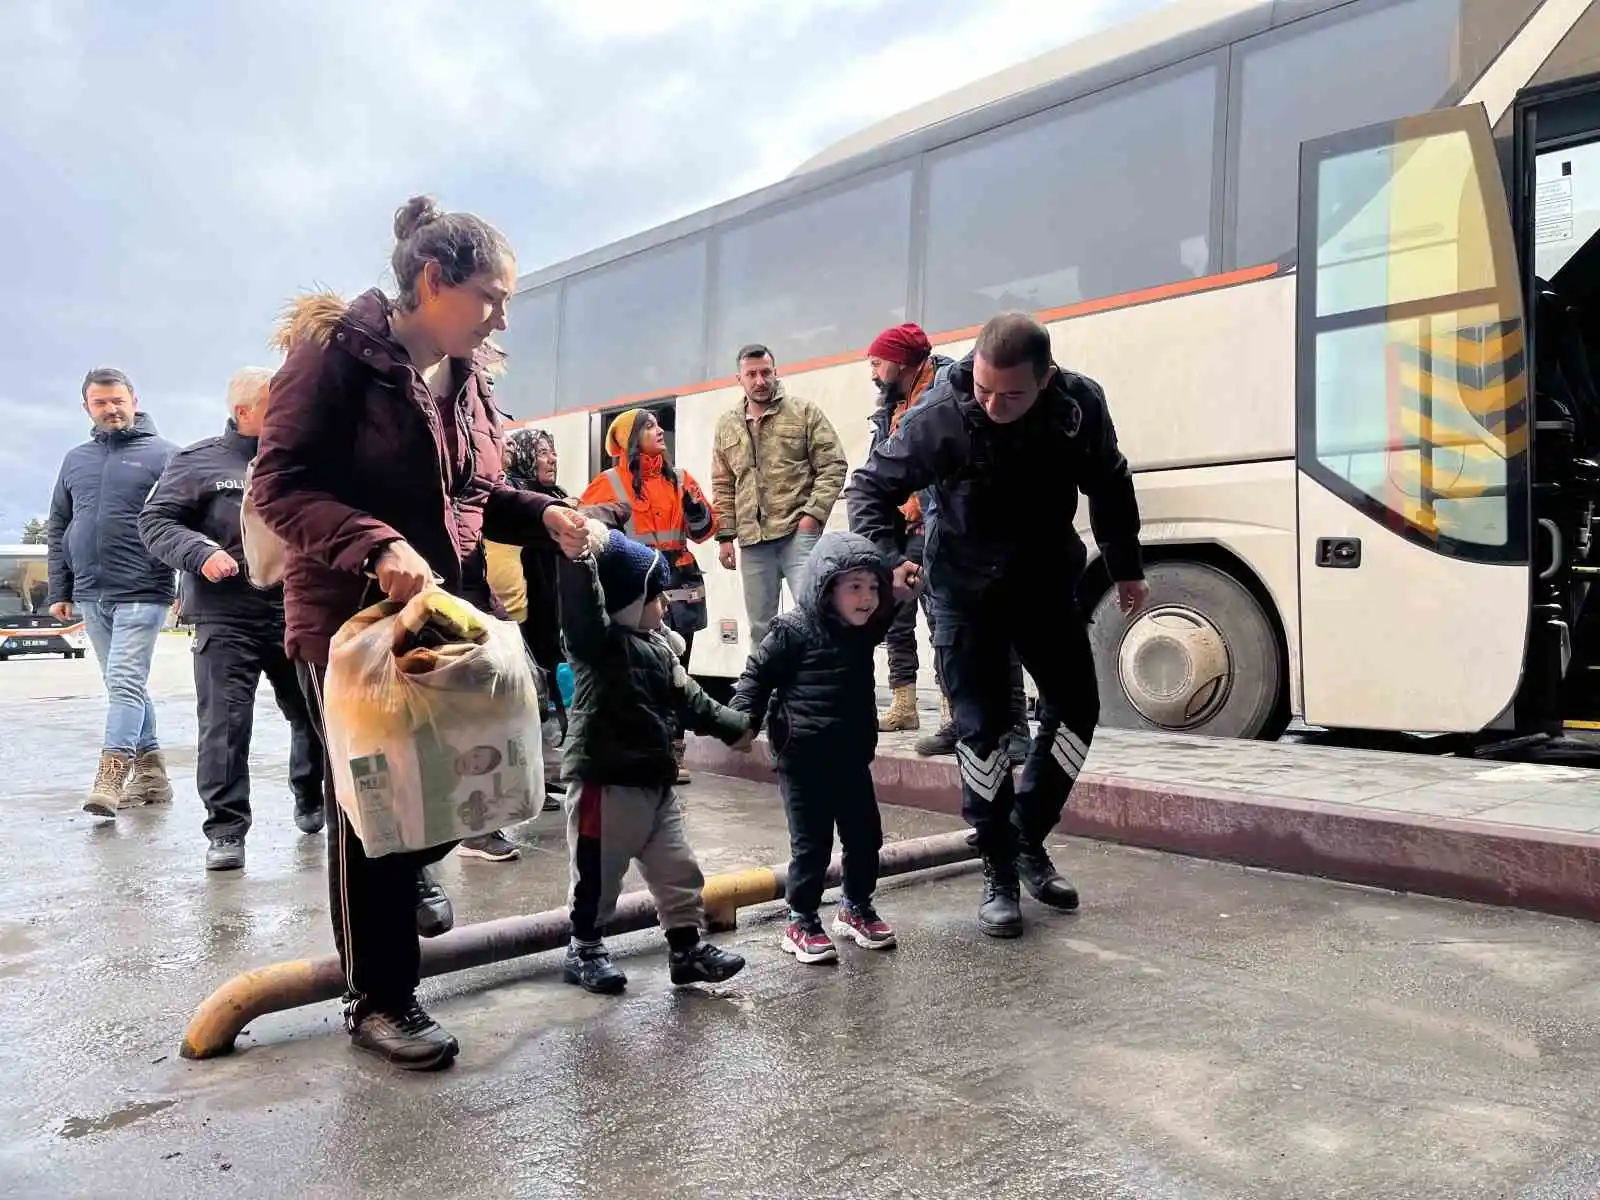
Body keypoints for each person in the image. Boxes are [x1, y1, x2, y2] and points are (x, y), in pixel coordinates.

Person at [252, 195, 591, 1070]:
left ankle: (416, 869)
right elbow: (278, 487)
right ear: (433, 282)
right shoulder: (333, 358)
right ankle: (380, 1000)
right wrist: (375, 544)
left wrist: (544, 515)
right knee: (371, 818)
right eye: (490, 296)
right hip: (348, 628)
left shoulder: (470, 378)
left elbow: (475, 497)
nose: (501, 317)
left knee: (437, 800)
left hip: (445, 625)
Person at [845, 312, 1149, 939]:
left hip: (1043, 583)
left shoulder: (1078, 406)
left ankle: (1025, 836)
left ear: (1045, 378)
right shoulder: (944, 411)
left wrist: (1126, 568)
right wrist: (891, 558)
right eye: (984, 389)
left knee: (1078, 709)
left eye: (1010, 393)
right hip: (964, 589)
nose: (993, 403)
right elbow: (870, 488)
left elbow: (1110, 482)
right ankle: (998, 872)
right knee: (982, 731)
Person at [139, 367, 324, 870]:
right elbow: (154, 522)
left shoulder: (301, 458)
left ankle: (311, 794)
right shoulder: (197, 462)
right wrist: (198, 552)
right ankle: (226, 830)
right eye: (274, 402)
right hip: (226, 617)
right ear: (244, 411)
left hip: (295, 611)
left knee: (315, 715)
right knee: (225, 726)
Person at [558, 523, 754, 995]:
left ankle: (686, 949)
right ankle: (584, 948)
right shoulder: (598, 646)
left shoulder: (662, 654)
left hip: (656, 784)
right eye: (655, 596)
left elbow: (696, 704)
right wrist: (579, 560)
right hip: (605, 786)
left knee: (677, 870)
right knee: (597, 877)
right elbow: (582, 610)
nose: (665, 605)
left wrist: (737, 728)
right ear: (626, 600)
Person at [731, 531, 898, 965]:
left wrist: (901, 588)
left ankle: (855, 907)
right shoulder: (793, 630)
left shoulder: (862, 629)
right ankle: (800, 918)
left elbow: (887, 611)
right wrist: (741, 720)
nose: (866, 598)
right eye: (854, 587)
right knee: (812, 845)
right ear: (826, 588)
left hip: (851, 756)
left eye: (872, 587)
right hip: (803, 759)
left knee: (866, 837)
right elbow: (756, 677)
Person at [46, 367, 179, 817]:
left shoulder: (165, 455)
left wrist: (187, 581)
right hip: (90, 591)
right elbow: (59, 525)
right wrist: (60, 588)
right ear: (87, 407)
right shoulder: (74, 460)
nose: (111, 409)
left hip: (144, 588)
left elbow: (186, 521)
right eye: (101, 403)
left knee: (123, 681)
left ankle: (111, 776)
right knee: (125, 685)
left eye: (118, 400)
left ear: (134, 400)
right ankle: (154, 776)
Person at [487, 427, 629, 809]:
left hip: (551, 612)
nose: (551, 459)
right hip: (520, 614)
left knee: (549, 693)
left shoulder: (553, 498)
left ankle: (545, 777)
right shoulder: (512, 501)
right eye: (544, 452)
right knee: (526, 697)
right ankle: (527, 782)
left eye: (553, 452)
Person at [580, 407, 715, 784]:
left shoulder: (681, 478)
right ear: (628, 438)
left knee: (677, 674)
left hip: (681, 585)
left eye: (658, 425)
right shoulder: (609, 482)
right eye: (649, 426)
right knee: (639, 673)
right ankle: (643, 750)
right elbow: (587, 527)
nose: (659, 431)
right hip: (637, 587)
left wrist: (696, 508)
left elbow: (704, 531)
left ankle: (674, 754)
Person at [711, 344, 848, 648]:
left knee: (815, 614)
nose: (760, 380)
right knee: (762, 628)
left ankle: (819, 689)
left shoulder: (803, 412)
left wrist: (812, 517)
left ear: (775, 372)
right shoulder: (727, 425)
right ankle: (767, 692)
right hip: (753, 540)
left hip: (798, 532)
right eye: (752, 374)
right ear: (740, 379)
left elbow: (833, 464)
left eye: (765, 372)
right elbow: (723, 483)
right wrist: (724, 537)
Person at [864, 323, 951, 734]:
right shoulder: (890, 406)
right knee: (898, 615)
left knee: (941, 618)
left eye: (877, 363)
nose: (873, 373)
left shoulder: (944, 392)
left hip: (936, 523)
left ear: (899, 362)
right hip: (900, 527)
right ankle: (905, 705)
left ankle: (952, 707)